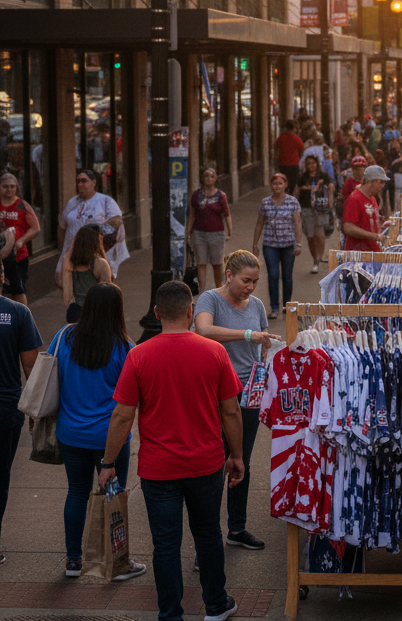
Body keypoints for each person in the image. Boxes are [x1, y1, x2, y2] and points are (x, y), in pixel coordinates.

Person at [99, 281, 244, 621]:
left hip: (158, 468)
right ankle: (215, 604)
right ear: (191, 311)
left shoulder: (139, 355)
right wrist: (235, 455)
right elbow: (232, 410)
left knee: (165, 546)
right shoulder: (214, 352)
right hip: (205, 463)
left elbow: (122, 415)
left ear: (157, 313)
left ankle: (170, 614)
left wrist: (107, 462)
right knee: (208, 535)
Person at [51, 283, 147, 580]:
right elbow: (132, 399)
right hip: (110, 438)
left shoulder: (64, 337)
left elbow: (51, 374)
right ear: (118, 311)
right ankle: (117, 562)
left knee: (76, 492)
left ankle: (73, 561)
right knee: (113, 496)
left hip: (71, 433)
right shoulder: (124, 348)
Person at [194, 251, 278, 552]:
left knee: (240, 457)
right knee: (215, 460)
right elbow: (203, 331)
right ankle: (209, 536)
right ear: (229, 275)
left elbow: (260, 339)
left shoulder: (255, 305)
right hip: (215, 391)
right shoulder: (209, 300)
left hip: (249, 391)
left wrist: (265, 347)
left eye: (256, 282)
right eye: (246, 280)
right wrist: (248, 335)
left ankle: (237, 527)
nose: (251, 287)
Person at [0, 258, 40, 565]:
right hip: (6, 409)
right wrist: (34, 410)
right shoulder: (17, 313)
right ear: (3, 277)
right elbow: (32, 368)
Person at [56, 169, 127, 288]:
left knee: (99, 289)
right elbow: (62, 227)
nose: (80, 184)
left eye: (84, 181)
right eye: (78, 181)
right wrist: (65, 250)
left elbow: (117, 229)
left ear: (94, 183)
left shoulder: (105, 201)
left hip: (96, 256)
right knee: (70, 289)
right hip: (73, 255)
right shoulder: (72, 203)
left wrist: (104, 256)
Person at [252, 173, 302, 320]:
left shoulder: (293, 202)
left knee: (287, 276)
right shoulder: (265, 203)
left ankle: (287, 305)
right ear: (271, 185)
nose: (278, 186)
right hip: (270, 245)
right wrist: (255, 243)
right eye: (275, 184)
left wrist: (298, 244)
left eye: (280, 184)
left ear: (285, 185)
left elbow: (297, 224)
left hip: (288, 245)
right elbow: (260, 223)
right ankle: (274, 307)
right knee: (273, 275)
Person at [186, 168, 233, 292]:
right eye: (206, 175)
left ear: (215, 178)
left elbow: (227, 214)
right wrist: (189, 232)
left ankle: (219, 291)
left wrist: (230, 230)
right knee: (201, 263)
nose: (208, 178)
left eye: (211, 176)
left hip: (216, 233)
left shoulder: (221, 195)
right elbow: (192, 214)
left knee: (217, 264)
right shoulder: (196, 195)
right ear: (202, 178)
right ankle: (202, 291)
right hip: (199, 233)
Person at [0, 173, 40, 305]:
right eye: (5, 186)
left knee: (18, 291)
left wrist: (21, 240)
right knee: (4, 291)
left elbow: (35, 227)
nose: (9, 190)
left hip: (17, 256)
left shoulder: (21, 205)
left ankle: (23, 319)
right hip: (1, 254)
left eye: (12, 187)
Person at [294, 155, 334, 274]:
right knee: (310, 237)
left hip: (320, 209)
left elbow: (331, 186)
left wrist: (330, 199)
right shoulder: (303, 178)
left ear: (317, 164)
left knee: (320, 233)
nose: (311, 166)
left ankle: (317, 260)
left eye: (313, 163)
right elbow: (296, 191)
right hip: (306, 209)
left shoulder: (323, 176)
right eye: (309, 164)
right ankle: (315, 256)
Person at [62, 224, 112, 309]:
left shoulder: (69, 263)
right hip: (95, 311)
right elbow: (106, 294)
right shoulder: (100, 264)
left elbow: (67, 297)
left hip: (76, 310)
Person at [343, 165, 389, 252]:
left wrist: (380, 226)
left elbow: (367, 220)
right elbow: (348, 227)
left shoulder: (372, 198)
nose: (383, 186)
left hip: (371, 251)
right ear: (372, 181)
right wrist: (372, 236)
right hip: (359, 255)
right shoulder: (354, 199)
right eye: (381, 182)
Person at [275, 120, 305, 199]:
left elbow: (276, 148)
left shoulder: (281, 138)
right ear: (294, 128)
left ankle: (284, 195)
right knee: (293, 181)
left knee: (284, 180)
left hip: (282, 163)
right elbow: (301, 149)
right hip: (294, 163)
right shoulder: (296, 138)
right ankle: (291, 196)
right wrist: (298, 157)